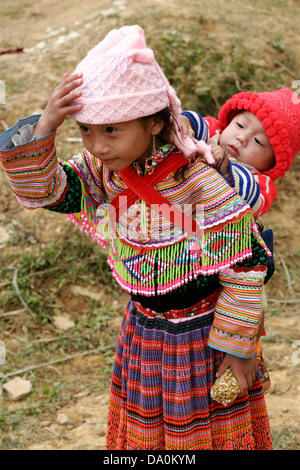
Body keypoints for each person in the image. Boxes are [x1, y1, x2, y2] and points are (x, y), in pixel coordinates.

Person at [0, 25, 273, 450]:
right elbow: (46, 191)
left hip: (203, 336)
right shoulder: (100, 171)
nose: (98, 144)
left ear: (154, 121)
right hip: (144, 332)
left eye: (112, 130)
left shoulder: (198, 181)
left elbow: (245, 265)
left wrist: (238, 348)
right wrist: (46, 126)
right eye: (86, 130)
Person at [179, 91, 300, 393]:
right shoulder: (214, 136)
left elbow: (246, 193)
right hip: (186, 259)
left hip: (233, 268)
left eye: (260, 142)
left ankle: (247, 364)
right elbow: (195, 123)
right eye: (241, 125)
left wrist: (225, 170)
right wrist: (184, 122)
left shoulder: (258, 182)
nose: (243, 139)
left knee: (238, 321)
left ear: (272, 162)